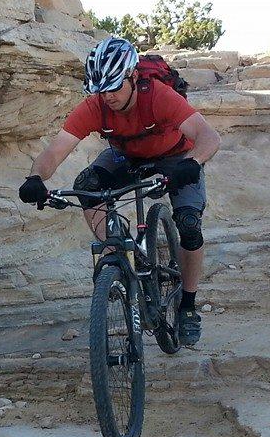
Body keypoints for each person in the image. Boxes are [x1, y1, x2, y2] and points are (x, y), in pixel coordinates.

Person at [18, 37, 221, 346]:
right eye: (101, 90)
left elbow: (208, 136)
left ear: (132, 76)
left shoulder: (158, 96)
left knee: (190, 226)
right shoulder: (96, 105)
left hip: (176, 158)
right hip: (126, 156)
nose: (107, 97)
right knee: (86, 187)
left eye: (114, 87)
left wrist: (193, 162)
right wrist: (35, 178)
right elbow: (55, 152)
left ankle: (188, 306)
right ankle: (118, 251)